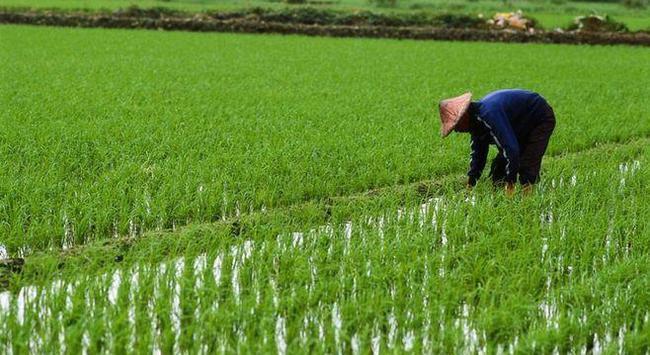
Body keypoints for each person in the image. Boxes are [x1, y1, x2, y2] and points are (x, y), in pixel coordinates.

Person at [438, 89, 556, 195]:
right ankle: (498, 200)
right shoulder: (476, 124)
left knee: (527, 164)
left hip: (539, 118)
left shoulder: (488, 114)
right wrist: (471, 184)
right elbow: (478, 155)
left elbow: (511, 149)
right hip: (519, 125)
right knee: (498, 168)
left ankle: (527, 205)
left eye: (456, 125)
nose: (457, 130)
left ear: (464, 115)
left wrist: (510, 184)